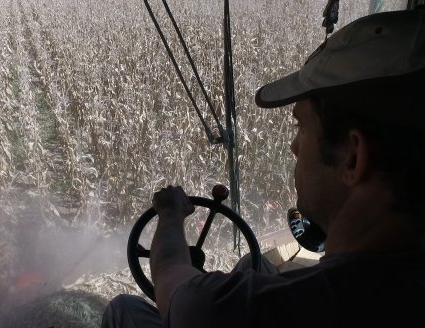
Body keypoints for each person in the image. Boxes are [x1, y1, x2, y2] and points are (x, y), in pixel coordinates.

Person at [102, 8, 425, 327]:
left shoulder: (235, 311)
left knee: (123, 308)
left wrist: (170, 215)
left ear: (353, 158)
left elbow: (173, 281)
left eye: (301, 127)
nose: (294, 146)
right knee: (251, 266)